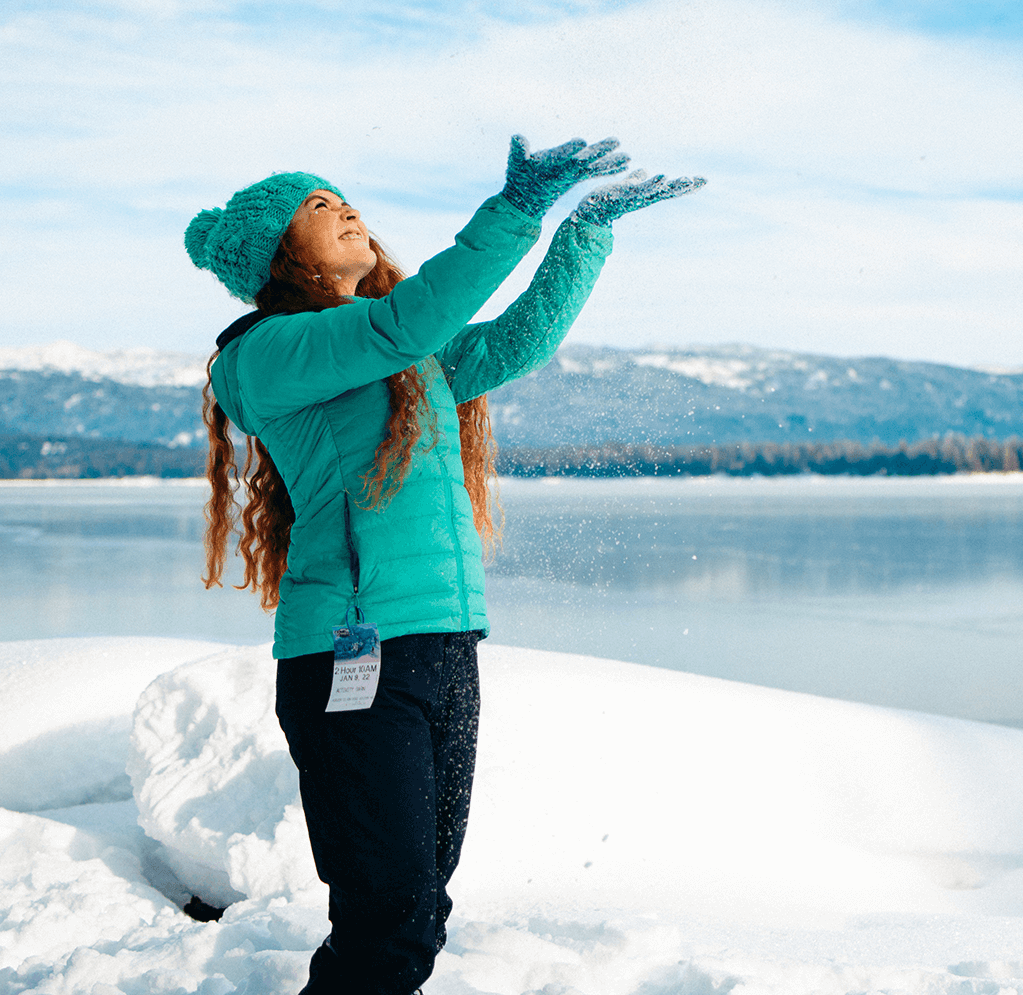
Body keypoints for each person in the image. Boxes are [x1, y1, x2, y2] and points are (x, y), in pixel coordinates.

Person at [184, 136, 703, 995]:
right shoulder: (269, 352)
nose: (344, 208)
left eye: (342, 196)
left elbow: (512, 344)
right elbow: (406, 320)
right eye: (315, 207)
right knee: (385, 918)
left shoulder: (396, 358)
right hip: (350, 658)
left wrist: (582, 234)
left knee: (419, 912)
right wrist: (514, 213)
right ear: (281, 256)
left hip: (440, 642)